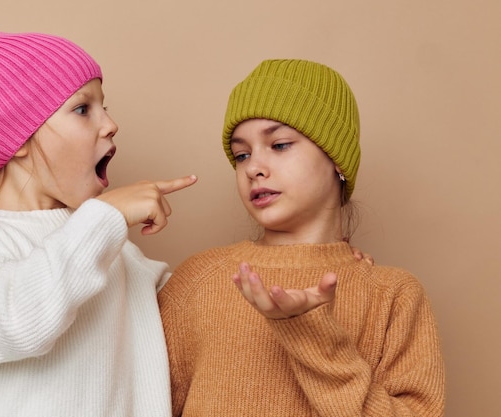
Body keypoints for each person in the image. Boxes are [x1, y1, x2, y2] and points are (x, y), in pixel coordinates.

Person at [0, 23, 197, 417]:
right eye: (83, 108)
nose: (110, 123)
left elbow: (194, 315)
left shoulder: (115, 252)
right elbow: (14, 318)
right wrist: (107, 217)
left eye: (105, 105)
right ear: (15, 139)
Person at [158, 59, 445, 416]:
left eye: (279, 145)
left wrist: (315, 338)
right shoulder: (196, 281)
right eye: (241, 154)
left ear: (338, 159)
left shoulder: (394, 295)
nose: (253, 168)